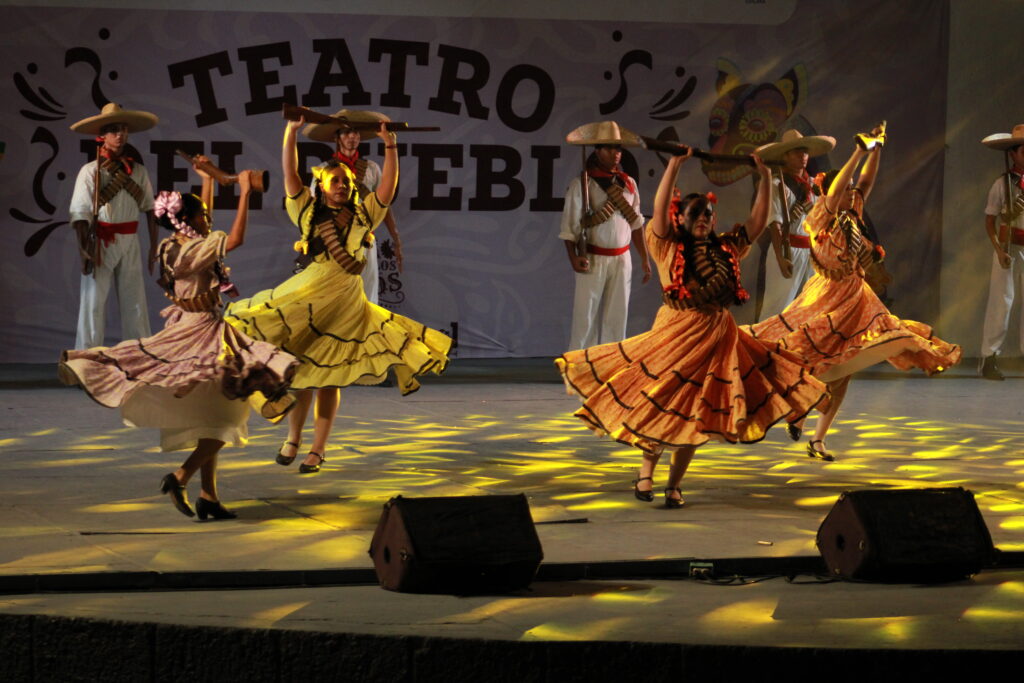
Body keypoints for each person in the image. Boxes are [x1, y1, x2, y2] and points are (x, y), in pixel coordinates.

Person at [556, 148, 828, 508]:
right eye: (695, 214)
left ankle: (674, 484)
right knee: (663, 403)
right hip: (677, 333)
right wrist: (674, 165)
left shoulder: (726, 248)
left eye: (708, 215)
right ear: (680, 218)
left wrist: (764, 176)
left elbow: (757, 223)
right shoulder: (667, 246)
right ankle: (646, 472)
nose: (703, 219)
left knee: (697, 413)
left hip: (716, 337)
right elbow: (658, 214)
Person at [59, 163, 297, 519]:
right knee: (229, 415)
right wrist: (245, 193)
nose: (208, 219)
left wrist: (206, 180)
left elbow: (203, 224)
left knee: (212, 416)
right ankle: (181, 476)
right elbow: (235, 240)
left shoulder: (173, 244)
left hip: (189, 328)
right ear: (188, 220)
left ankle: (209, 496)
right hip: (202, 334)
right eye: (203, 215)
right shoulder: (191, 251)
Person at [225, 118, 450, 474]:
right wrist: (290, 133)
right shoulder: (306, 211)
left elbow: (387, 189)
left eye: (345, 181)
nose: (342, 185)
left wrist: (390, 145)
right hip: (309, 299)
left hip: (345, 304)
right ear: (322, 186)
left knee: (329, 378)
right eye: (335, 181)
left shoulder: (364, 215)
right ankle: (293, 438)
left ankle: (318, 449)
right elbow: (290, 173)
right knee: (301, 372)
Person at [746, 126, 961, 460]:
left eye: (850, 191)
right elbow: (836, 191)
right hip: (826, 297)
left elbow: (865, 182)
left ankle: (818, 439)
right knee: (812, 357)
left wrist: (876, 149)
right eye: (844, 190)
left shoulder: (852, 211)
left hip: (858, 297)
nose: (851, 193)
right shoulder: (821, 214)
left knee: (846, 371)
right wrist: (858, 151)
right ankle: (797, 408)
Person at [69, 102, 160, 349]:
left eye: (123, 129)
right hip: (101, 240)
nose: (119, 135)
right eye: (113, 130)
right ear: (103, 136)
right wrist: (83, 249)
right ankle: (87, 356)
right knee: (93, 302)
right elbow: (80, 214)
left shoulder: (138, 171)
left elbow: (150, 209)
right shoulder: (91, 171)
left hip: (130, 240)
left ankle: (137, 353)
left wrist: (153, 246)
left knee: (135, 301)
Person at [559, 121, 650, 351]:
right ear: (597, 151)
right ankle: (580, 363)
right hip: (593, 257)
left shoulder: (628, 184)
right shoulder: (583, 184)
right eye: (609, 148)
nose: (615, 153)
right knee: (586, 316)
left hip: (622, 258)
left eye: (618, 148)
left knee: (617, 317)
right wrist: (574, 257)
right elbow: (569, 228)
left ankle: (612, 361)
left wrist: (644, 258)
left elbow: (636, 224)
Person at [304, 109, 403, 304]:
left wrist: (396, 238)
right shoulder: (324, 170)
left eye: (356, 132)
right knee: (332, 296)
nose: (352, 136)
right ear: (337, 137)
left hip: (364, 237)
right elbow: (314, 210)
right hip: (334, 238)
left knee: (367, 293)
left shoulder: (371, 168)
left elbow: (383, 205)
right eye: (346, 132)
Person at [752, 129, 835, 321]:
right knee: (777, 307)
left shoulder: (815, 184)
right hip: (788, 248)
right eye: (796, 152)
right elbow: (774, 224)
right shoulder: (777, 184)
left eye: (804, 152)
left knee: (810, 307)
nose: (802, 156)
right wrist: (781, 257)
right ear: (785, 156)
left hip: (812, 252)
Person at [978, 124, 1024, 380]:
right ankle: (990, 357)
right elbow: (990, 221)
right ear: (1013, 154)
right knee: (1001, 304)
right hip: (1008, 249)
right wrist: (998, 250)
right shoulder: (1002, 184)